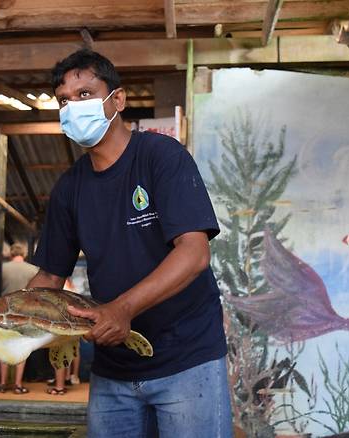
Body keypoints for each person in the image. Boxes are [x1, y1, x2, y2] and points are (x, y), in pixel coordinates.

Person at [27, 49, 232, 437]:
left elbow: (194, 253)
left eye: (85, 94)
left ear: (117, 100)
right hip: (113, 370)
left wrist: (122, 309)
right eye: (64, 101)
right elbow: (50, 277)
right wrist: (5, 322)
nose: (73, 107)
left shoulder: (161, 157)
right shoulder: (69, 189)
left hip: (187, 360)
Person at [0, 242, 38, 394]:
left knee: (3, 348)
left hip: (4, 313)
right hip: (24, 314)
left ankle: (2, 384)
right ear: (24, 254)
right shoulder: (32, 270)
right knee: (21, 349)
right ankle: (17, 385)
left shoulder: (2, 268)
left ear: (10, 254)